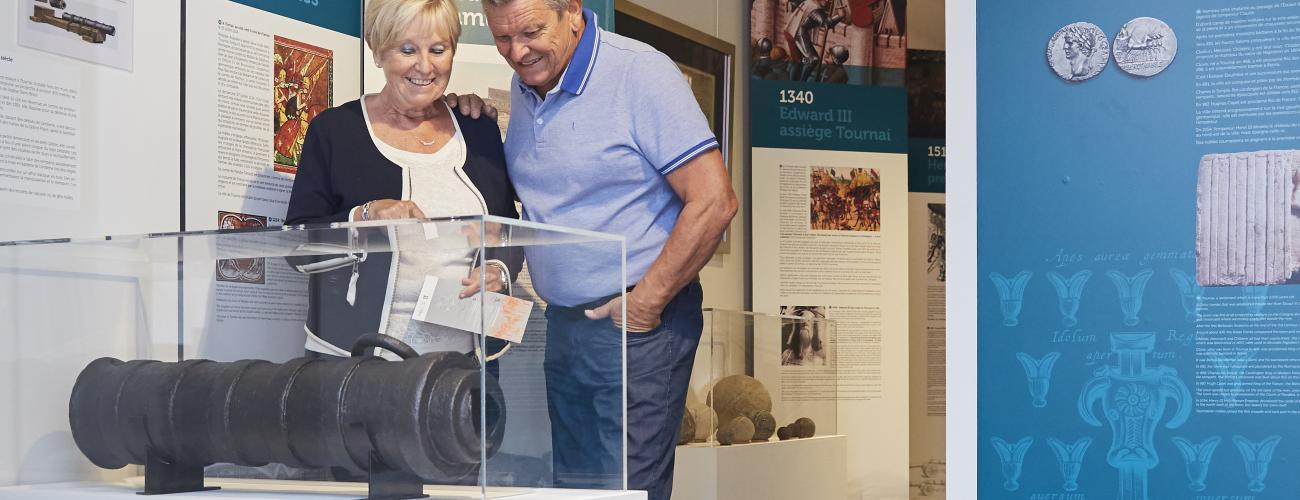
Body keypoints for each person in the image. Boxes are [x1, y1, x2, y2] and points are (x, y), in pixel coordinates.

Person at [480, 1, 738, 499]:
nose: (516, 51)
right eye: (502, 39)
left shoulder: (640, 73)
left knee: (627, 490)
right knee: (575, 491)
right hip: (565, 326)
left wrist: (644, 305)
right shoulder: (530, 80)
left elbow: (714, 201)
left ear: (572, 12)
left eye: (530, 32)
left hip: (636, 324)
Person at [285, 0, 519, 360]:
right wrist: (363, 218)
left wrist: (498, 270)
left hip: (467, 365)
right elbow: (296, 250)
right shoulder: (334, 131)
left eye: (438, 50)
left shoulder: (479, 129)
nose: (425, 66)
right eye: (407, 49)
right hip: (355, 363)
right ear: (378, 53)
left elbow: (508, 229)